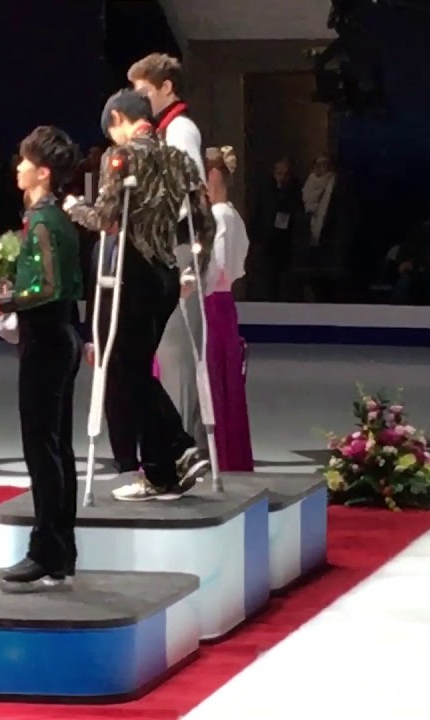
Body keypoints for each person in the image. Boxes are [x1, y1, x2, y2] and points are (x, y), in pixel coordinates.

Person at [66, 90, 213, 502]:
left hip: (132, 271)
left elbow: (106, 220)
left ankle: (181, 445)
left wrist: (74, 206)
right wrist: (193, 267)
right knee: (134, 370)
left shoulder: (123, 158)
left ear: (118, 118)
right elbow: (203, 221)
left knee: (125, 371)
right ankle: (162, 470)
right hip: (167, 274)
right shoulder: (179, 158)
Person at [0, 125, 84, 586]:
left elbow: (49, 285)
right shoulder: (53, 217)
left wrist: (5, 302)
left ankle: (47, 550)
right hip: (59, 336)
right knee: (56, 445)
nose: (16, 168)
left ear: (42, 172)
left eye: (23, 162)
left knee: (43, 448)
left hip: (46, 341)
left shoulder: (42, 220)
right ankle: (59, 550)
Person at [128, 53, 209, 458]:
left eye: (144, 92)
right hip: (171, 247)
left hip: (178, 248)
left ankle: (179, 455)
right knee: (168, 354)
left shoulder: (179, 130)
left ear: (166, 88)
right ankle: (179, 449)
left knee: (176, 356)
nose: (139, 100)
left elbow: (186, 192)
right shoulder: (166, 130)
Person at [202, 146, 254, 471]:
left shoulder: (218, 216)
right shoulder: (231, 213)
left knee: (210, 378)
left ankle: (213, 452)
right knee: (224, 378)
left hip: (209, 302)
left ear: (215, 175)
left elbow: (217, 265)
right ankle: (227, 452)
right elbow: (237, 265)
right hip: (224, 304)